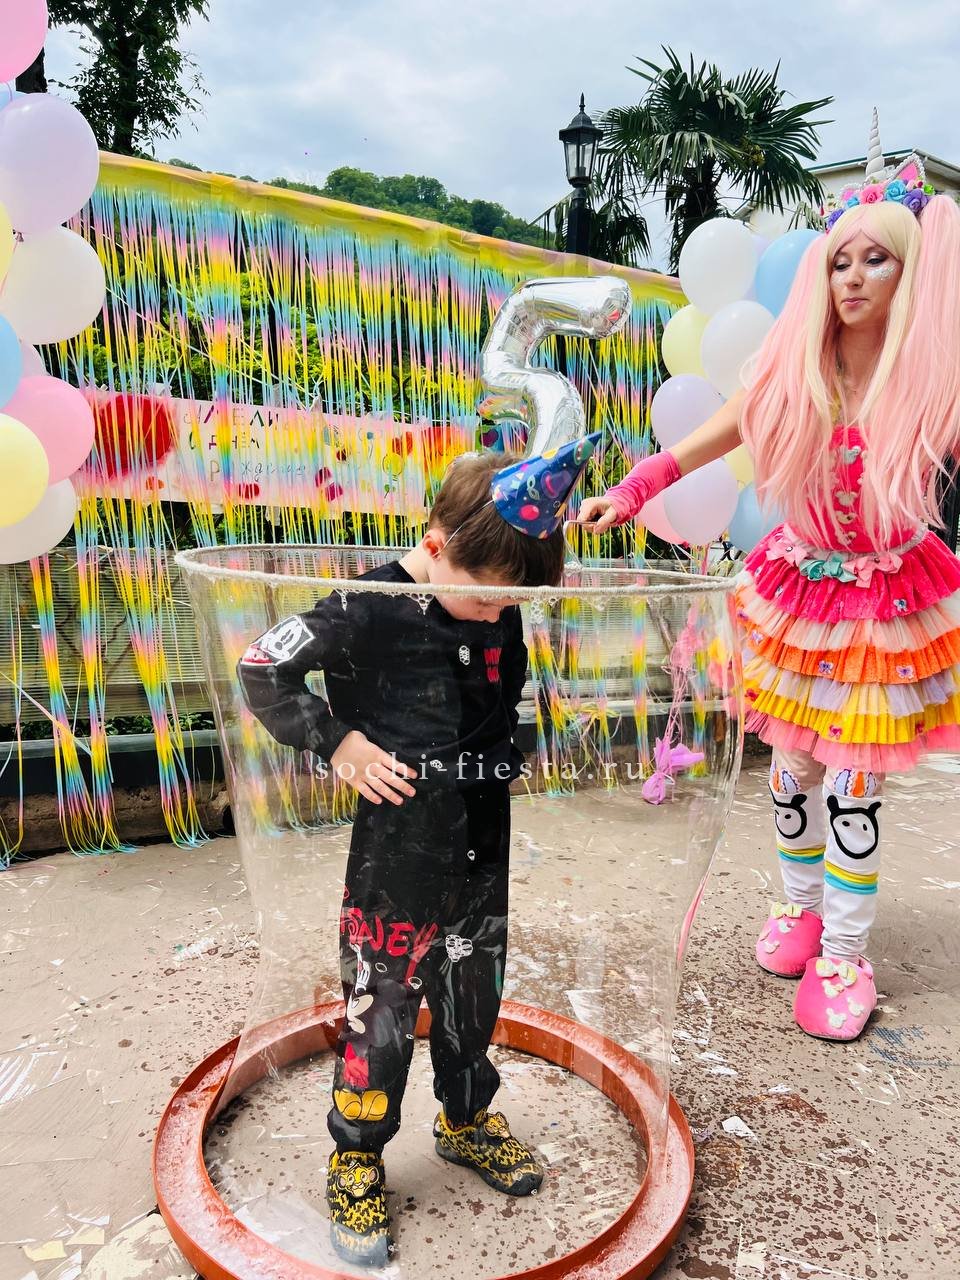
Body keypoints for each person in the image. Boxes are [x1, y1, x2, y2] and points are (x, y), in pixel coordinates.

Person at [578, 150, 960, 1044]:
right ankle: (800, 908)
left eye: (876, 259)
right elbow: (708, 438)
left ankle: (846, 953)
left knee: (855, 782)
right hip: (797, 590)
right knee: (792, 772)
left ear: (910, 275)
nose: (852, 277)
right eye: (840, 260)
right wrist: (631, 491)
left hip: (884, 601)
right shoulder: (796, 371)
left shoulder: (933, 383)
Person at [238, 435, 597, 1266]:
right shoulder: (365, 604)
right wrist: (337, 742)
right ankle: (357, 1158)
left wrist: (506, 747)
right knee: (383, 1008)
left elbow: (509, 682)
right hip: (397, 851)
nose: (499, 614)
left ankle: (466, 1119)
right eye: (488, 598)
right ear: (435, 546)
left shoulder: (495, 598)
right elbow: (262, 669)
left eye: (512, 603)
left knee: (474, 996)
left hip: (481, 837)